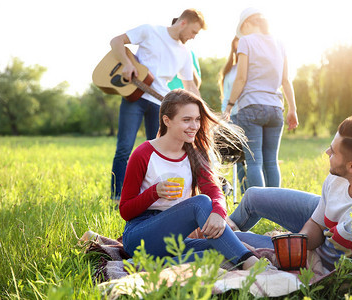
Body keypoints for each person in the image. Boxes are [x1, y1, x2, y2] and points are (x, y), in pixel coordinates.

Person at [226, 116, 352, 271]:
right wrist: (298, 243)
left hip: (327, 257)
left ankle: (216, 237)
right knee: (252, 196)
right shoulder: (339, 177)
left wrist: (296, 257)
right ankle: (221, 227)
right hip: (326, 230)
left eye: (334, 152)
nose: (327, 152)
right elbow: (316, 222)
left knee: (230, 241)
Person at [119, 89, 263, 270]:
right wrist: (154, 192)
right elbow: (125, 210)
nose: (194, 125)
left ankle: (153, 266)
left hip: (176, 239)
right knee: (200, 203)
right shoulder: (143, 154)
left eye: (197, 119)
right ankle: (249, 263)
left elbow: (214, 191)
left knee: (226, 248)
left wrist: (219, 212)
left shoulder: (194, 153)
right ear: (167, 121)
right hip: (140, 236)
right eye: (186, 120)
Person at [110, 9, 205, 201]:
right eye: (194, 32)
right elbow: (116, 41)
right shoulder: (149, 31)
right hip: (134, 97)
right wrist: (127, 63)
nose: (193, 37)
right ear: (183, 23)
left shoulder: (184, 53)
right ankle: (117, 197)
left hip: (161, 105)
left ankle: (152, 196)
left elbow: (190, 85)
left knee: (159, 152)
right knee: (124, 148)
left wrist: (202, 110)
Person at [223, 7, 298, 189]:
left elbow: (241, 79)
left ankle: (258, 209)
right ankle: (274, 208)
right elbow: (286, 80)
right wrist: (293, 109)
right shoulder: (280, 42)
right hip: (275, 108)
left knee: (254, 162)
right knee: (271, 162)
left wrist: (229, 107)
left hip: (251, 107)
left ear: (247, 23)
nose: (243, 34)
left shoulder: (246, 41)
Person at [219, 36, 247, 195]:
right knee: (234, 155)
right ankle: (234, 189)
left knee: (245, 157)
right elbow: (226, 95)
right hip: (229, 116)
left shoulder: (248, 69)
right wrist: (224, 115)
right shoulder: (229, 69)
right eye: (237, 48)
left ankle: (245, 190)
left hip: (244, 114)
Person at [168, 19, 202, 91]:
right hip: (160, 96)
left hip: (181, 98)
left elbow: (195, 85)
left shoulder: (189, 54)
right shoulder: (163, 49)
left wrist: (187, 63)